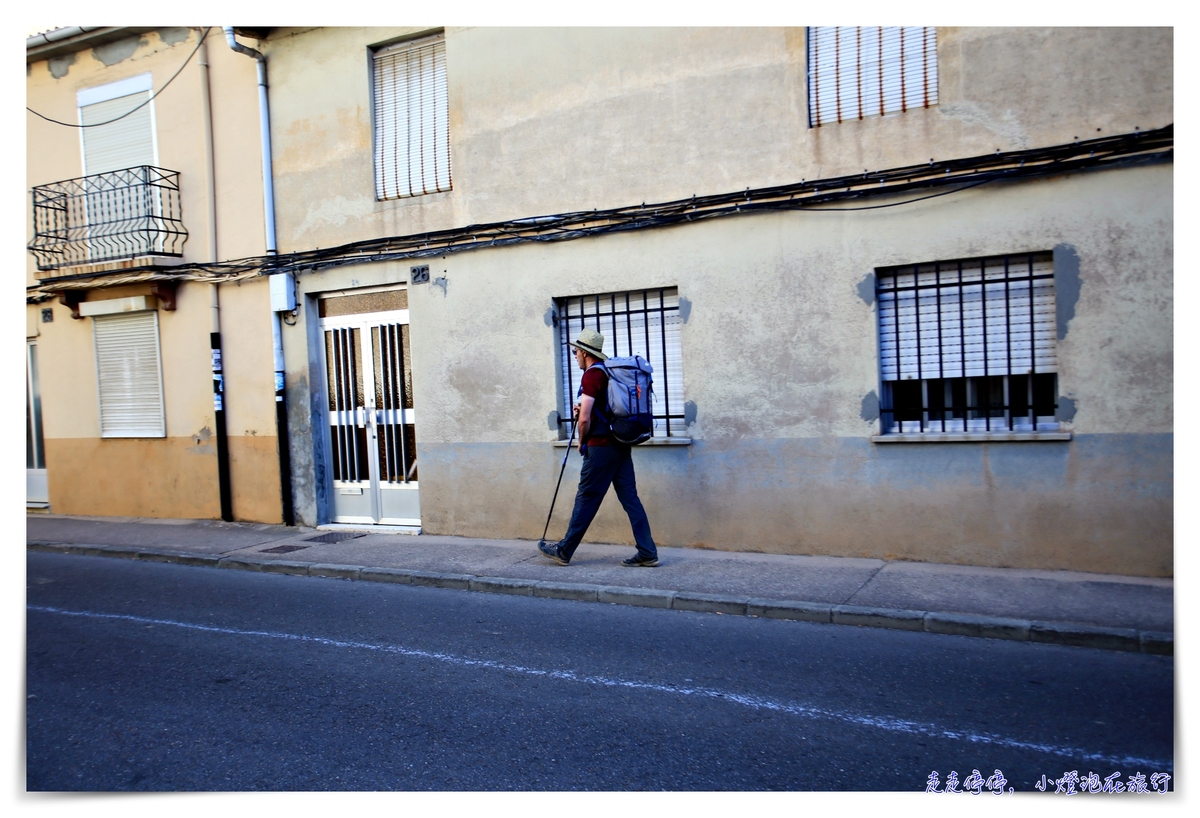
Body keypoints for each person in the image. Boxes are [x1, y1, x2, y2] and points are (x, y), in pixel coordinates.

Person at [538, 328, 659, 567]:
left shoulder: (592, 376)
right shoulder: (607, 373)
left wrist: (582, 441)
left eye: (575, 351)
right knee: (630, 498)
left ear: (584, 352)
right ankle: (647, 551)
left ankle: (564, 550)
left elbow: (584, 419)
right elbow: (598, 410)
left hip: (601, 449)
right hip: (620, 445)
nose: (574, 356)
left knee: (587, 497)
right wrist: (585, 413)